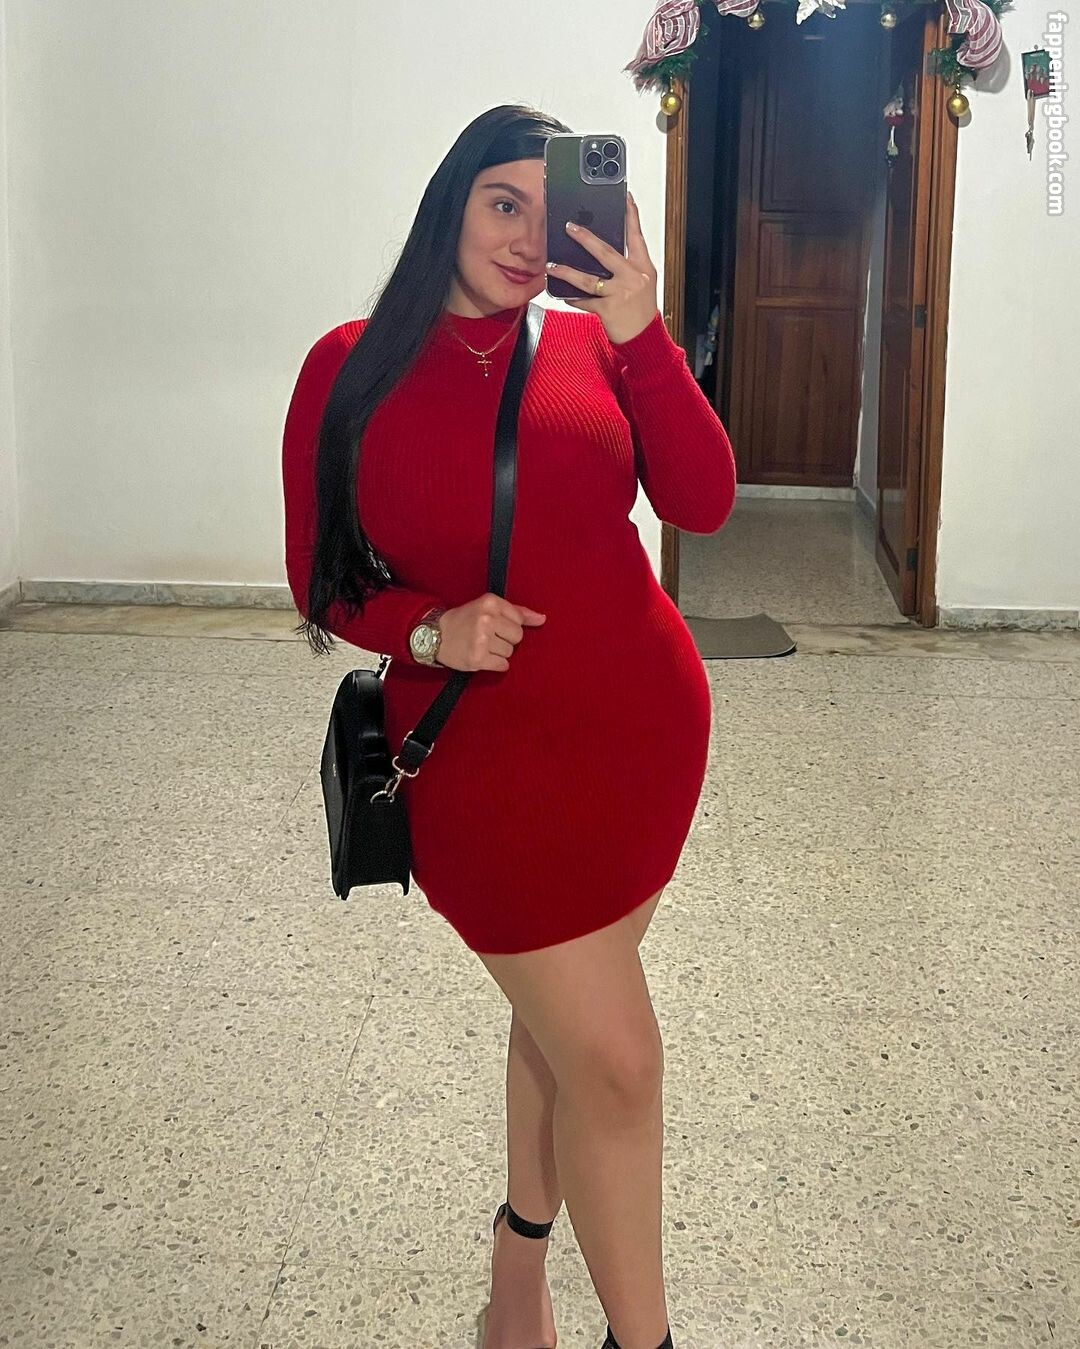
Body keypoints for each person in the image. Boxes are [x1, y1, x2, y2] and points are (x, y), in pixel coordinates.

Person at [281, 103, 737, 1349]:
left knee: (564, 1025)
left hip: (643, 740)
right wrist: (429, 629)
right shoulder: (346, 367)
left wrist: (642, 328)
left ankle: (518, 1269)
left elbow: (702, 500)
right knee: (618, 1059)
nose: (530, 239)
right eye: (502, 203)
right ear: (451, 203)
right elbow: (320, 578)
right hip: (483, 771)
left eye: (553, 210)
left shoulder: (596, 346)